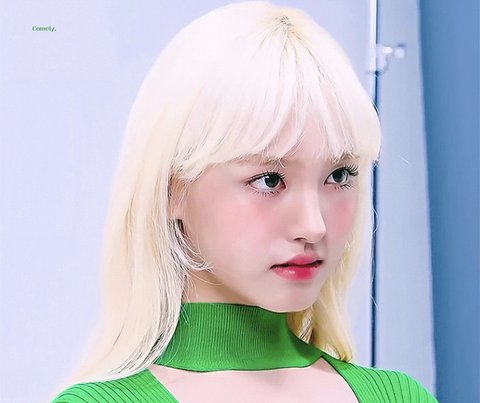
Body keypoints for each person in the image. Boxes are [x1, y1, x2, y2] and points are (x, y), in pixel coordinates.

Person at [51, 2, 438, 402]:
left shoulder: (398, 396)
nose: (313, 225)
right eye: (269, 180)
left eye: (339, 176)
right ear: (172, 191)